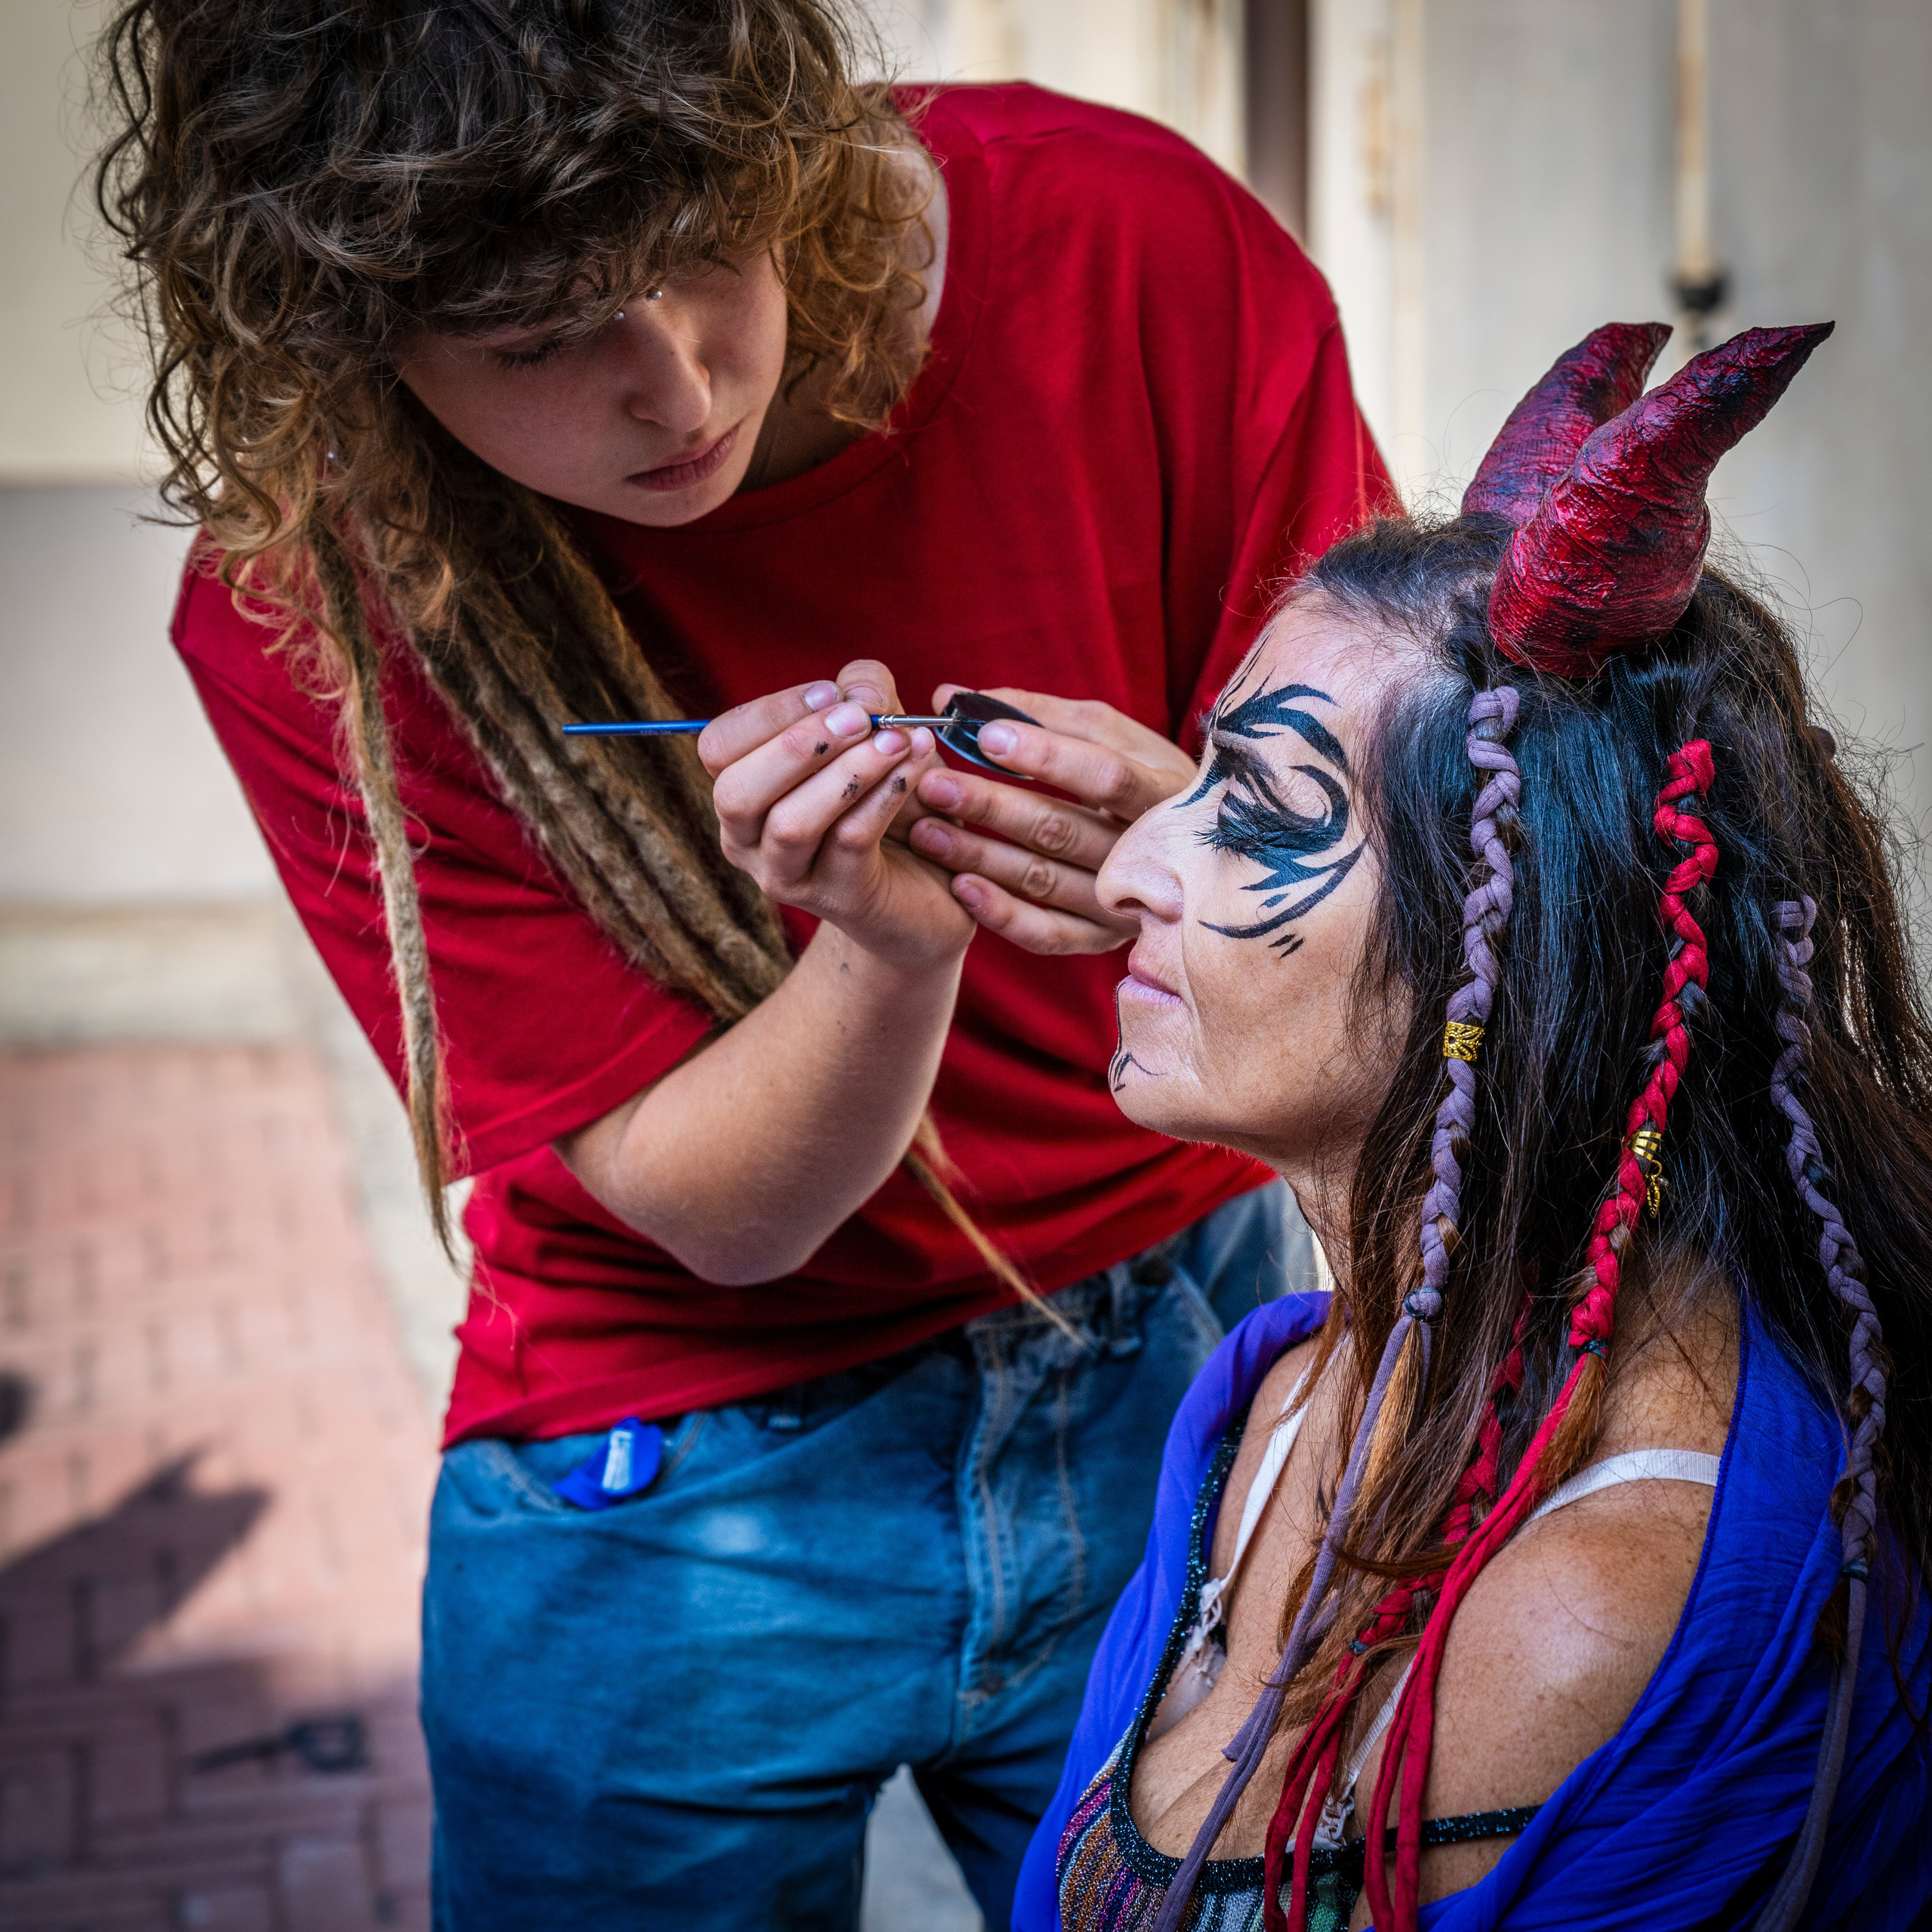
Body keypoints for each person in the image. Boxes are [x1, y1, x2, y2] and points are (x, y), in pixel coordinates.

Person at [94, 1, 1391, 1924]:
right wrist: (882, 948)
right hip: (677, 1463)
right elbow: (726, 1221)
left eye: (705, 245)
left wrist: (1214, 832)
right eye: (538, 340)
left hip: (1184, 1358)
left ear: (774, 142)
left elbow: (1444, 907)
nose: (678, 382)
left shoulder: (1134, 253)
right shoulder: (322, 599)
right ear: (349, 344)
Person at [1018, 322, 1932, 1930]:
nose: (1123, 869)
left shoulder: (1585, 1607)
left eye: (1255, 808)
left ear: (1504, 947)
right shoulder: (1272, 1399)